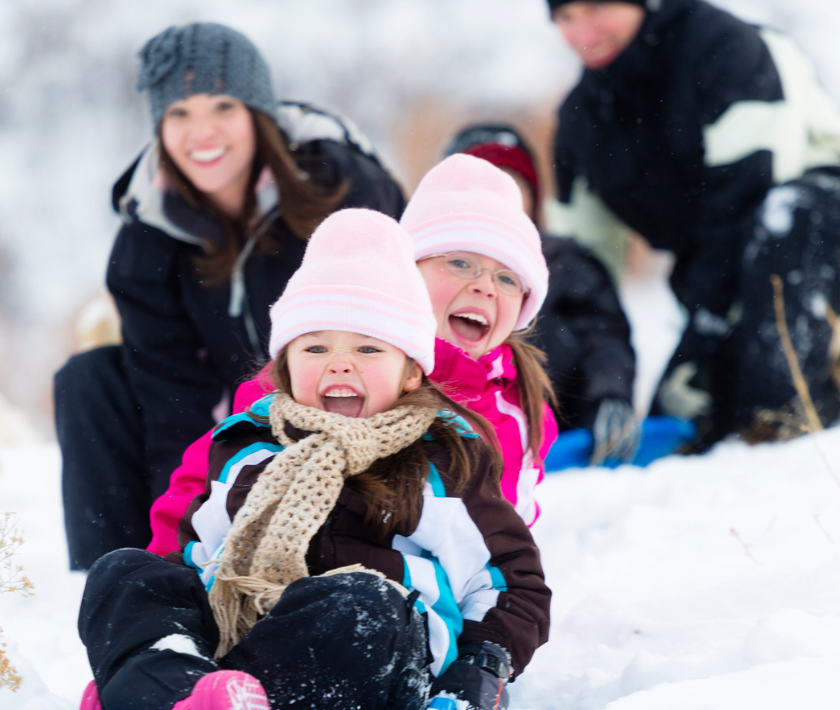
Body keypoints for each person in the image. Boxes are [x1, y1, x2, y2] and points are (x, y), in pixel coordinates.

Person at [77, 209, 551, 710]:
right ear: (285, 365)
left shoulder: (443, 459)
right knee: (125, 571)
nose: (340, 364)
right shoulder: (246, 447)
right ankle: (173, 688)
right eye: (316, 346)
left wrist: (485, 662)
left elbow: (511, 583)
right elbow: (196, 555)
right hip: (238, 634)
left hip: (376, 654)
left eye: (368, 348)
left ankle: (181, 698)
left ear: (412, 371)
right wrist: (157, 616)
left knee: (362, 602)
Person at [53, 22, 406, 571]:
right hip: (230, 414)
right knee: (89, 379)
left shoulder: (341, 186)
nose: (202, 133)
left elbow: (398, 324)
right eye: (179, 113)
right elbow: (168, 390)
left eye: (222, 106)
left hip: (345, 399)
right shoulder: (148, 235)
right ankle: (120, 574)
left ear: (258, 113)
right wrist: (181, 527)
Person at [539, 0, 840, 449]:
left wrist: (704, 333)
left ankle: (797, 431)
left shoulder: (724, 49)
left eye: (596, 8)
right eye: (564, 15)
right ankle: (829, 395)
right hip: (723, 268)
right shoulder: (581, 123)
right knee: (685, 419)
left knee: (783, 234)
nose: (581, 33)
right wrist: (586, 389)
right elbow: (582, 272)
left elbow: (748, 198)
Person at [146, 153, 559, 555]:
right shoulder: (321, 367)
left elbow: (508, 535)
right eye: (459, 262)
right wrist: (169, 568)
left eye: (507, 277)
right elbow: (207, 479)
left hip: (415, 595)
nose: (485, 286)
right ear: (408, 274)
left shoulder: (522, 408)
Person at [445, 123, 638, 462]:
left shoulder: (565, 261)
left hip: (559, 432)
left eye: (513, 188)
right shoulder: (430, 267)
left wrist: (609, 394)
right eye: (486, 190)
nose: (501, 204)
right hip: (456, 433)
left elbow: (603, 336)